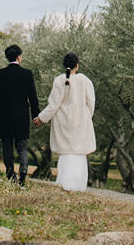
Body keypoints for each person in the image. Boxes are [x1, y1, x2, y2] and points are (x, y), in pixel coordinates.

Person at [34, 52, 95, 192]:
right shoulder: (85, 80)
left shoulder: (59, 80)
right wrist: (87, 117)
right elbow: (91, 102)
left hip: (63, 122)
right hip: (81, 121)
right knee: (79, 152)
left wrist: (41, 118)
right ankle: (79, 185)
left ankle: (65, 183)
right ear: (77, 65)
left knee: (67, 152)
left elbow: (53, 104)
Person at [0, 43, 40, 186]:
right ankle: (23, 169)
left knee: (7, 145)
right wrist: (35, 115)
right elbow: (33, 97)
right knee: (22, 146)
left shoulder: (0, 74)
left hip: (4, 116)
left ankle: (10, 172)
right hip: (22, 115)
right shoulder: (27, 73)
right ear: (19, 57)